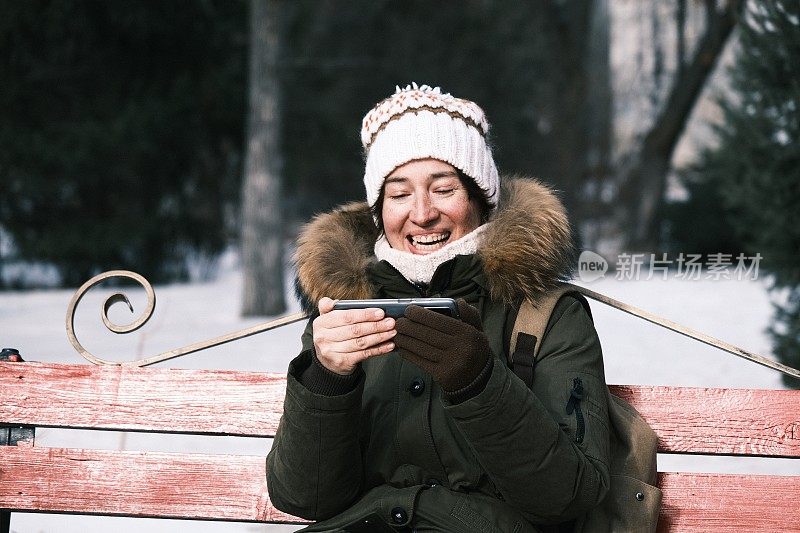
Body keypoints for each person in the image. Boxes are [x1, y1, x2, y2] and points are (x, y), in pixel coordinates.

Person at [267, 83, 611, 532]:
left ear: (480, 199)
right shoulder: (346, 312)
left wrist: (479, 382)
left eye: (443, 189)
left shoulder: (544, 312)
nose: (423, 213)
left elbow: (571, 495)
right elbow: (304, 498)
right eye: (399, 193)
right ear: (378, 211)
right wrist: (325, 381)